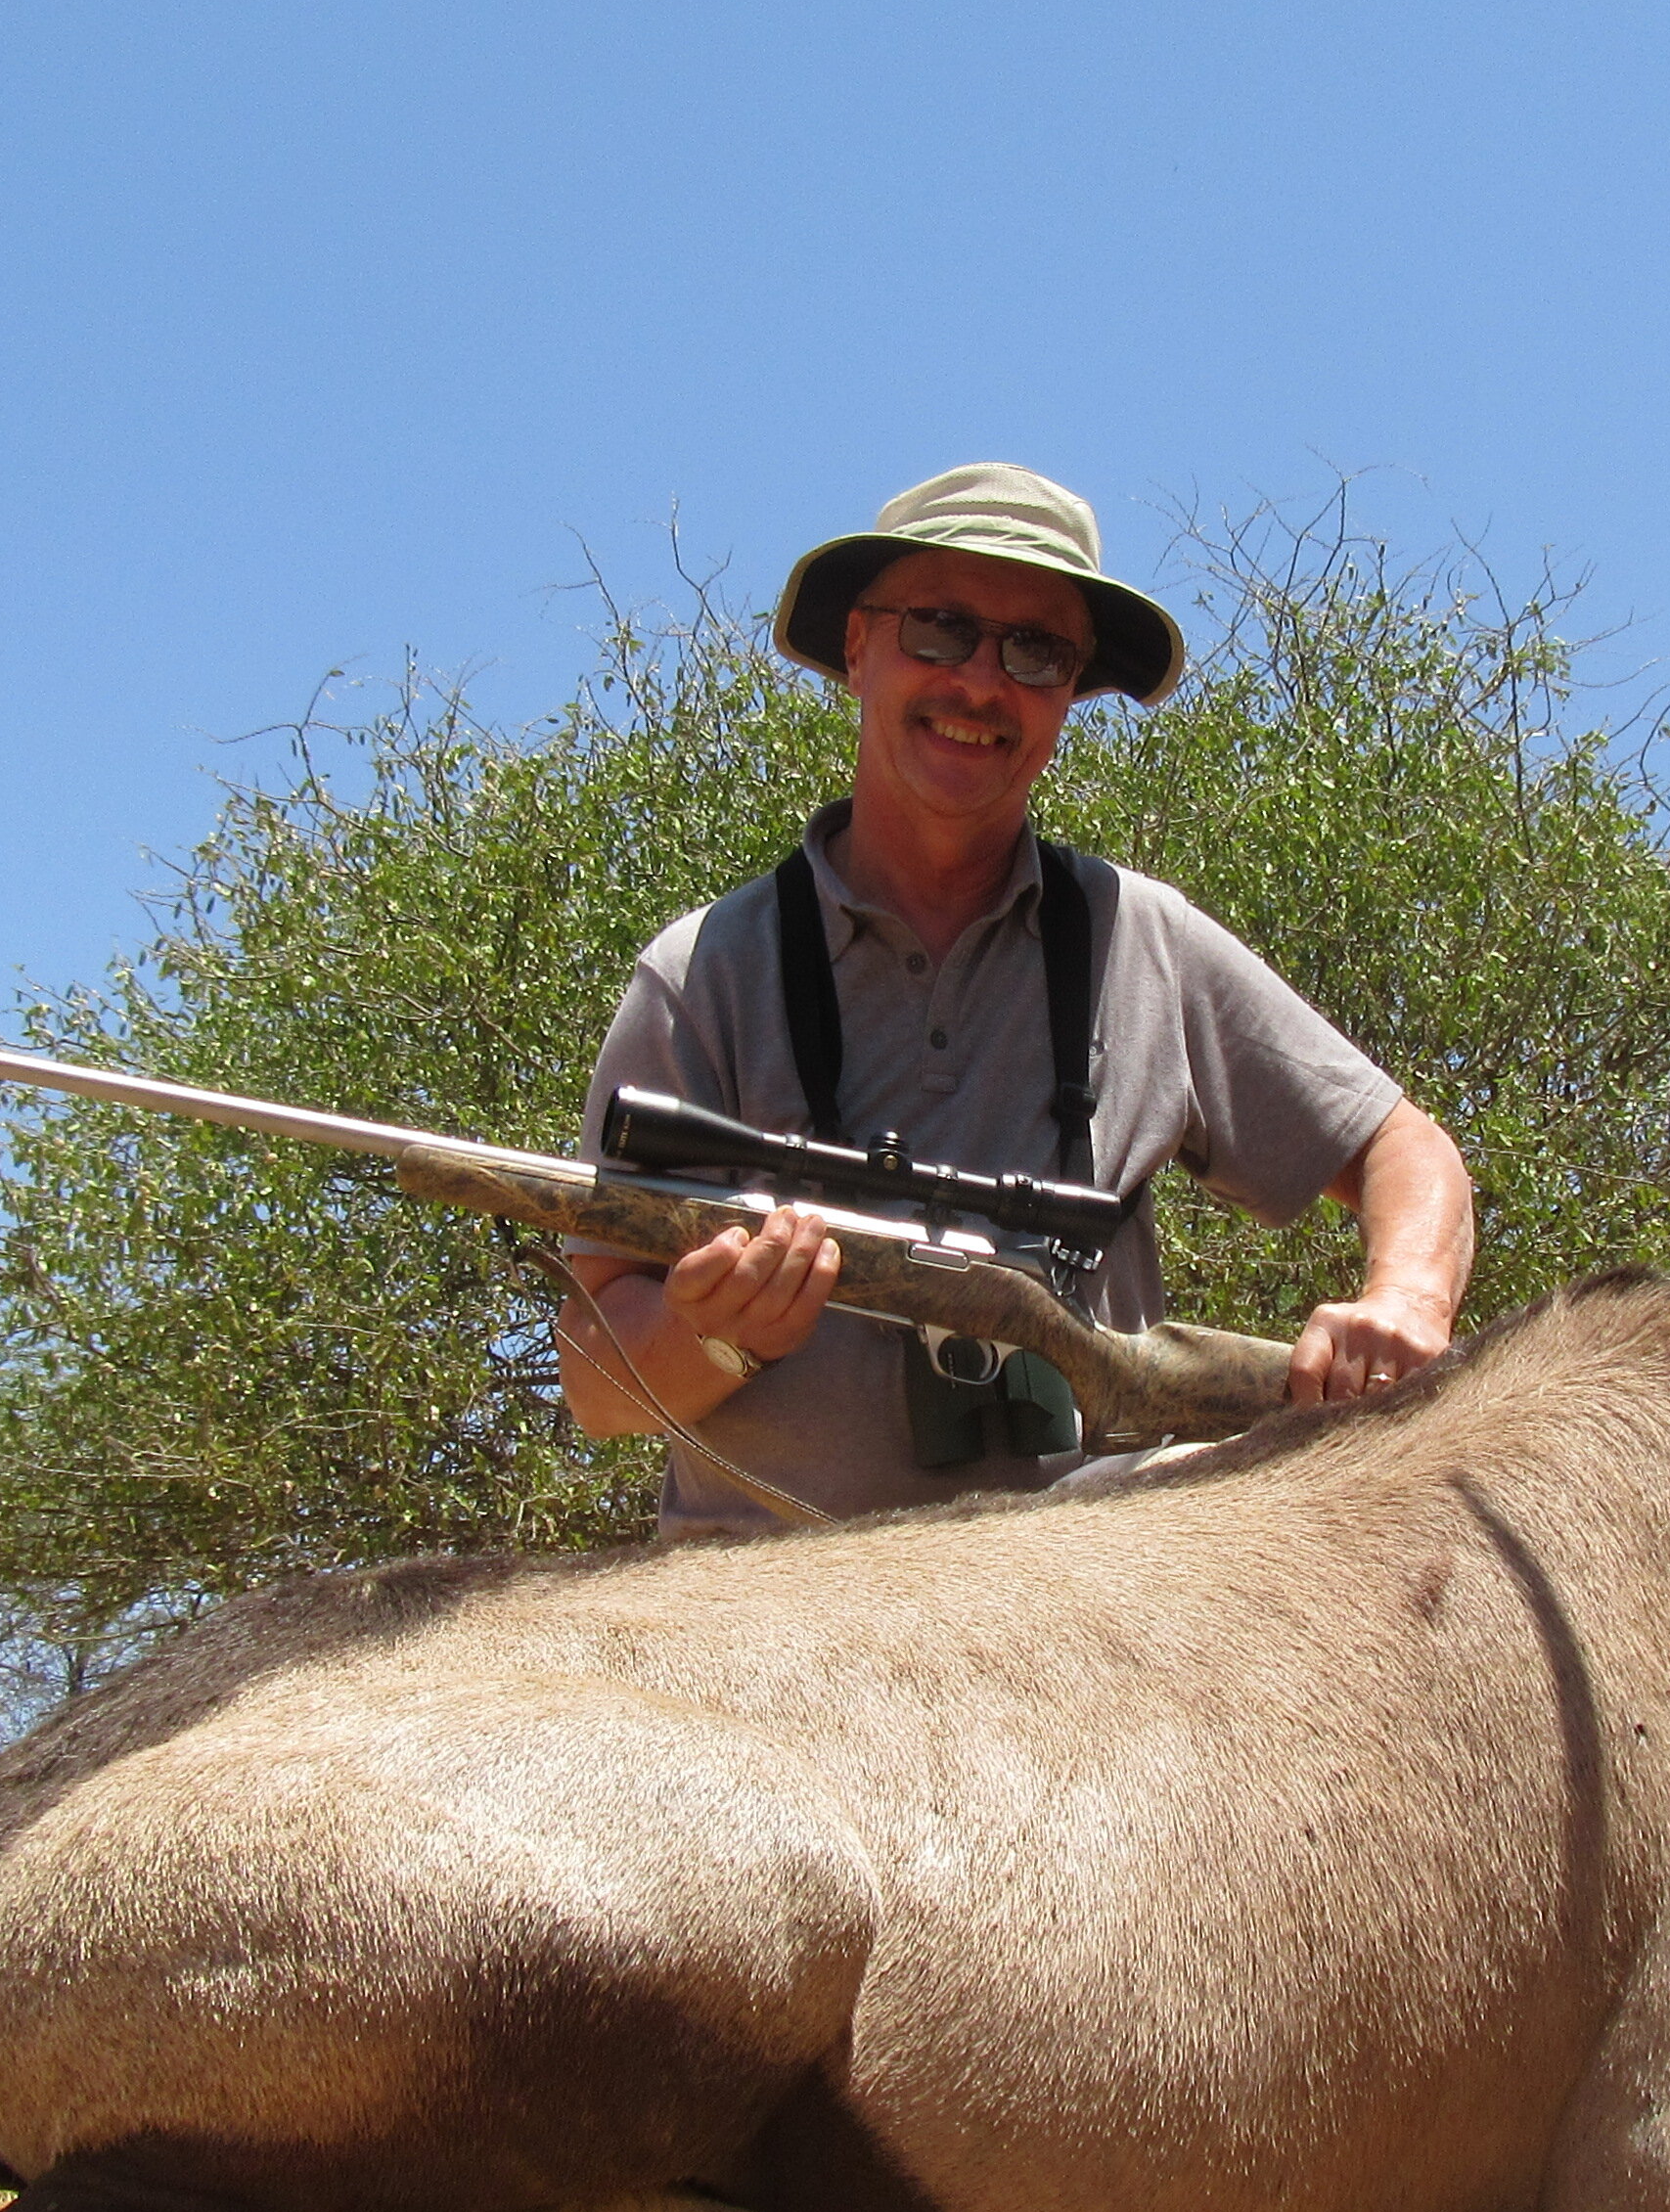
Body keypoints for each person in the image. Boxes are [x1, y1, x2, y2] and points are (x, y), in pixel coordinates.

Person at [563, 463, 1475, 1532]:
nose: (982, 685)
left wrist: (1404, 1302)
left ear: (1074, 693)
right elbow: (596, 1381)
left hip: (1078, 1619)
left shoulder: (1143, 938)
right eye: (940, 628)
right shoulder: (703, 970)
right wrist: (715, 1331)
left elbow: (1405, 1150)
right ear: (859, 649)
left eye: (1036, 651)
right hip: (766, 1636)